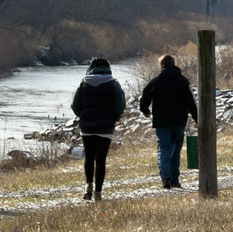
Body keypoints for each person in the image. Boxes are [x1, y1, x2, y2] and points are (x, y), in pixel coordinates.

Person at [139, 54, 198, 190]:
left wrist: (145, 110)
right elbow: (190, 102)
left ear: (162, 65)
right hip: (178, 121)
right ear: (174, 64)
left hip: (161, 121)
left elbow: (145, 96)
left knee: (164, 148)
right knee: (176, 150)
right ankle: (175, 179)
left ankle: (166, 178)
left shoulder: (156, 81)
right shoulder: (183, 81)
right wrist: (197, 119)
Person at [71, 57, 126, 201]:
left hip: (87, 124)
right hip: (105, 125)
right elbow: (120, 105)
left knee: (89, 156)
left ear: (91, 68)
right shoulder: (114, 84)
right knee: (100, 159)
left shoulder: (83, 84)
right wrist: (113, 117)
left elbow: (74, 105)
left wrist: (83, 115)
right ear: (108, 69)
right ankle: (98, 192)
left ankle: (88, 185)